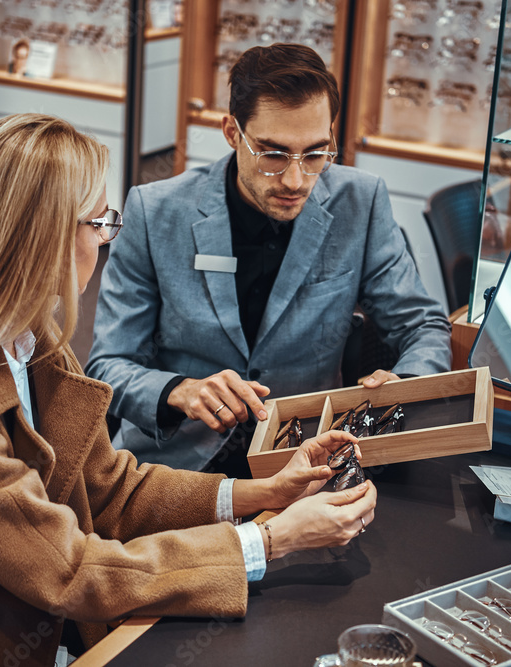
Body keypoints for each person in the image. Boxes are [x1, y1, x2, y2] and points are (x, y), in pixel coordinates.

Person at [0, 114, 376, 666]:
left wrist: (258, 492)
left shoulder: (29, 342)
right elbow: (65, 568)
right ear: (40, 237)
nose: (107, 239)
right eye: (99, 221)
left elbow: (109, 487)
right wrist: (273, 538)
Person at [87, 44, 452, 472]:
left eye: (315, 154)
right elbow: (106, 365)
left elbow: (423, 325)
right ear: (231, 132)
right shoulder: (156, 211)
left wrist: (403, 385)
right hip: (175, 464)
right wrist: (178, 390)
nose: (295, 180)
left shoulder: (361, 202)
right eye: (273, 154)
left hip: (307, 459)